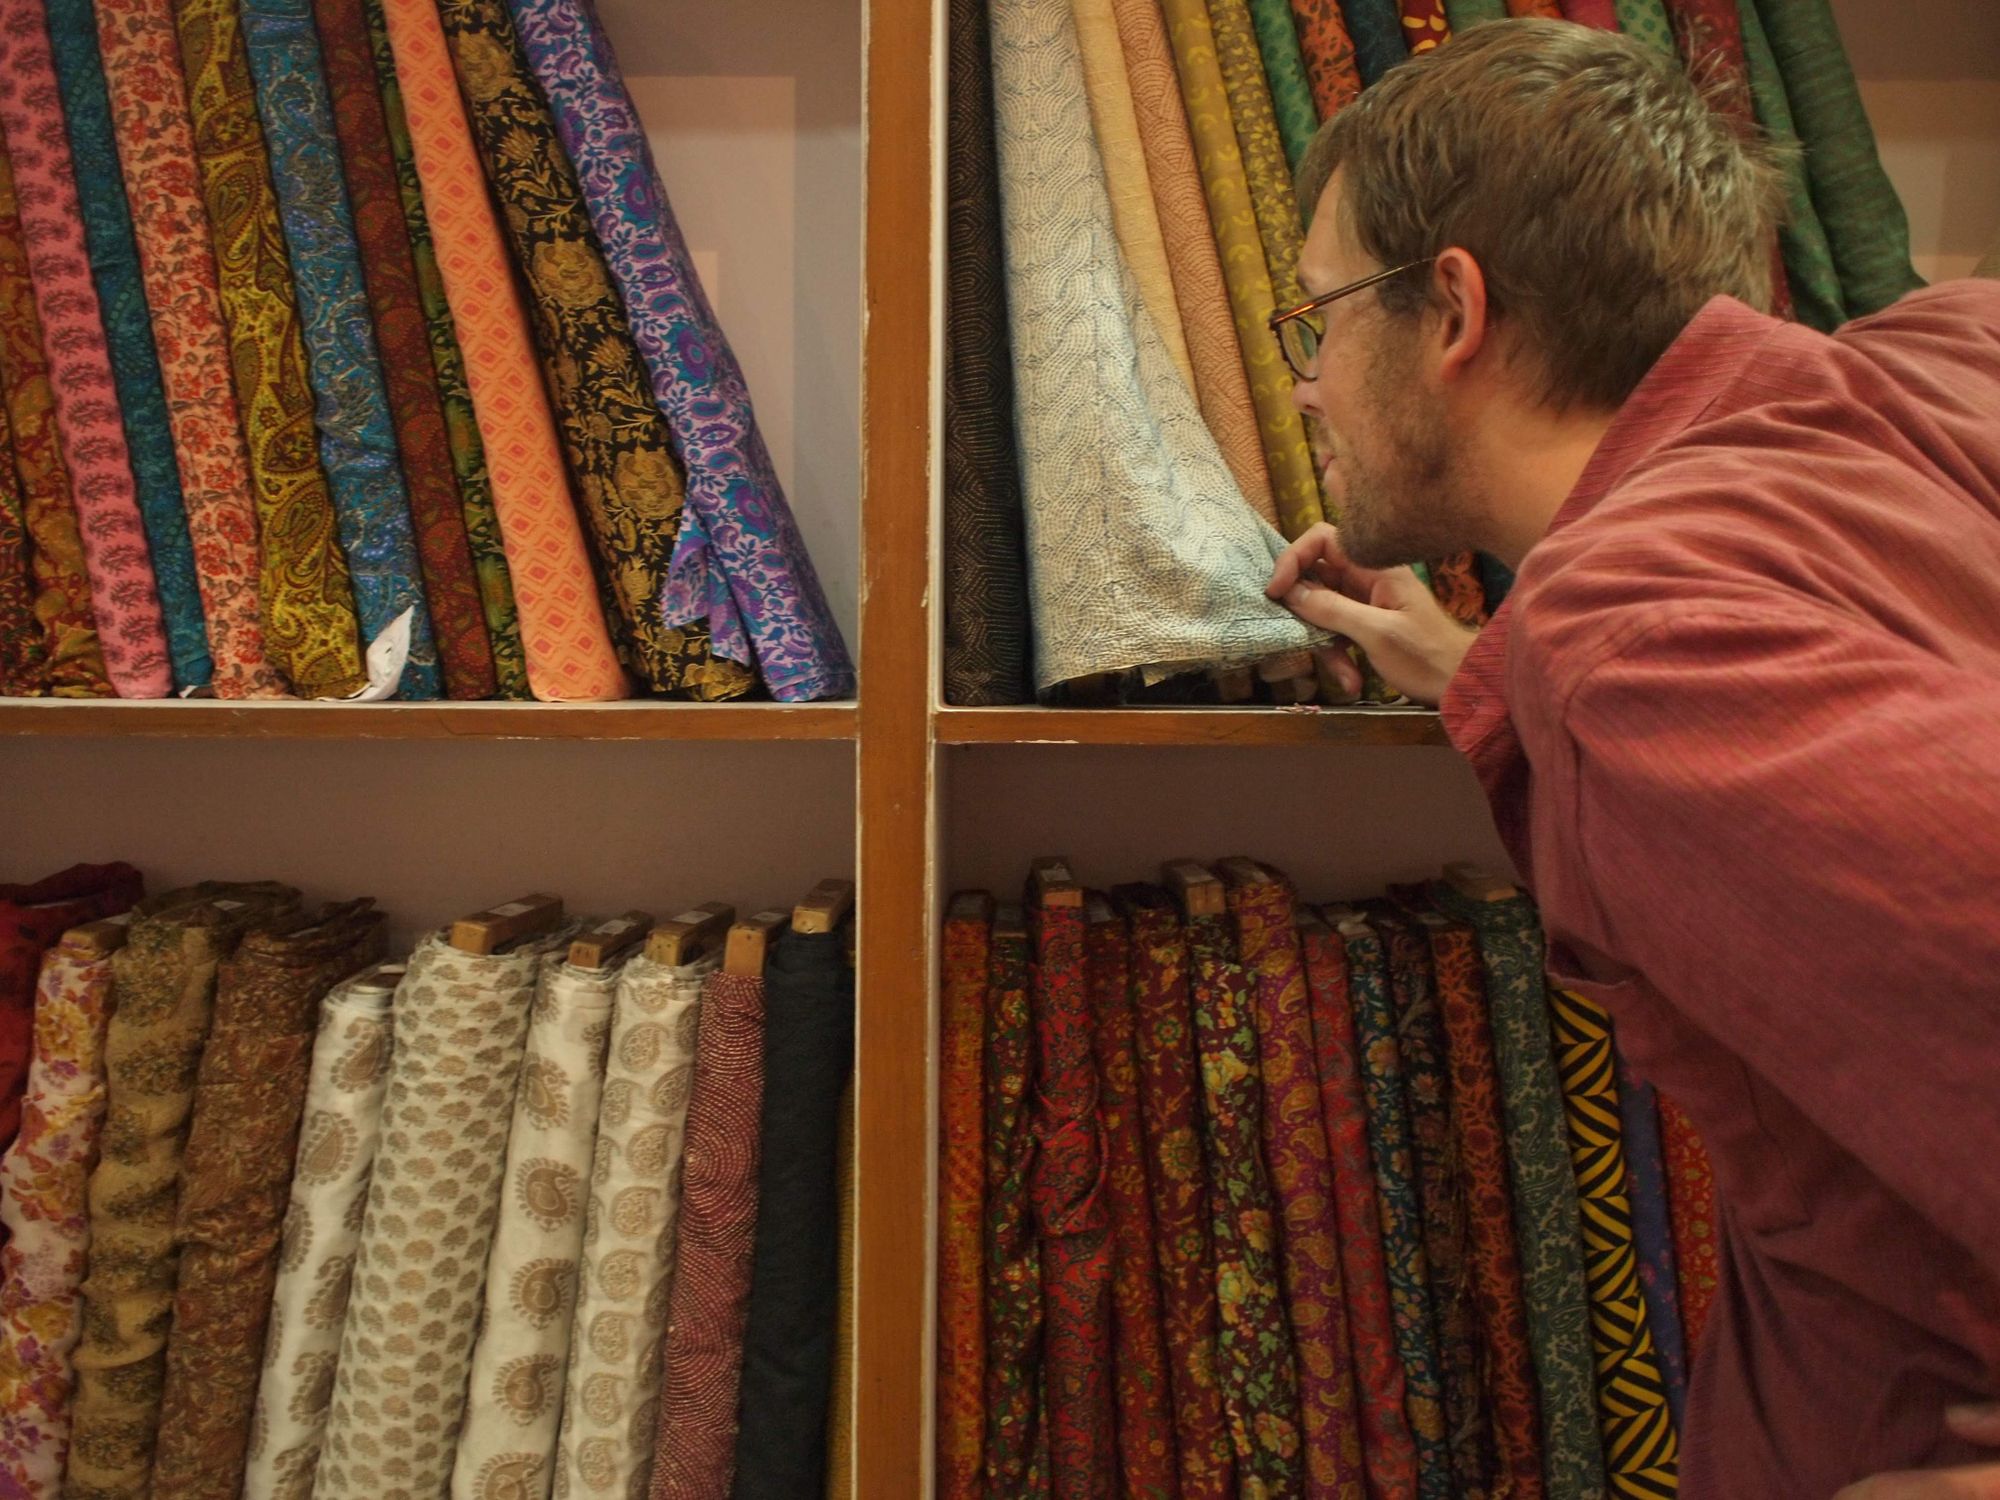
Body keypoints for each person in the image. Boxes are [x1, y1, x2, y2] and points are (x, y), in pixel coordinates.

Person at [1264, 18, 2000, 1500]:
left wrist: (1567, 668)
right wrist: (1475, 669)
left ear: (1452, 310)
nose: (1306, 389)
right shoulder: (1948, 358)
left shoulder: (1630, 647)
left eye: (1319, 320)